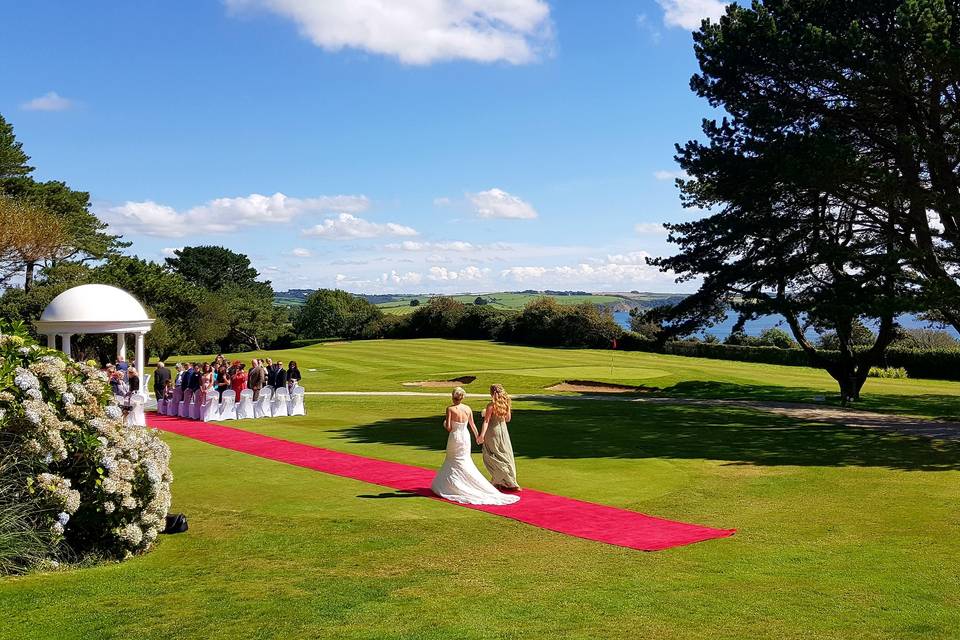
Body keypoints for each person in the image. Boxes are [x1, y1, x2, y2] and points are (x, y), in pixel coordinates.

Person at [431, 387, 519, 506]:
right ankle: (505, 480)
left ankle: (455, 483)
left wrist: (445, 423)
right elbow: (472, 425)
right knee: (467, 459)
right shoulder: (468, 408)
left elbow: (449, 428)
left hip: (456, 436)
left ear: (453, 397)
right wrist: (478, 436)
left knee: (453, 459)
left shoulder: (450, 409)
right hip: (469, 436)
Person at [479, 384, 520, 492]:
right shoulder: (506, 403)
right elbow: (508, 419)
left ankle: (496, 479)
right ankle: (507, 481)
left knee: (491, 455)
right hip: (503, 431)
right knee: (504, 454)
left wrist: (482, 435)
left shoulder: (491, 405)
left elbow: (486, 421)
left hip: (492, 431)